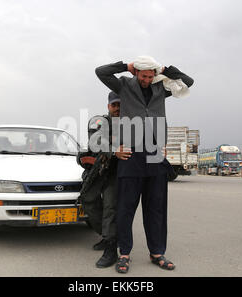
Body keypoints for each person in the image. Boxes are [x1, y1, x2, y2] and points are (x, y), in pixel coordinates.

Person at [95, 56, 194, 273]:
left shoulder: (161, 88)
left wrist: (168, 70)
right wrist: (125, 67)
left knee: (156, 208)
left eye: (151, 76)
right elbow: (101, 71)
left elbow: (188, 82)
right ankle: (124, 254)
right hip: (131, 154)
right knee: (125, 208)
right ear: (136, 73)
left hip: (156, 153)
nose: (147, 80)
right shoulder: (124, 86)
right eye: (143, 75)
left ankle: (157, 252)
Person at [77, 92, 123, 268]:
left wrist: (109, 145)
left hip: (116, 173)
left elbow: (127, 144)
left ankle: (111, 248)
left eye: (120, 105)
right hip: (98, 171)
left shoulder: (129, 124)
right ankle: (106, 235)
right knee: (88, 200)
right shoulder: (100, 122)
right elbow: (94, 143)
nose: (117, 108)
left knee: (110, 207)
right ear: (108, 107)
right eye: (114, 105)